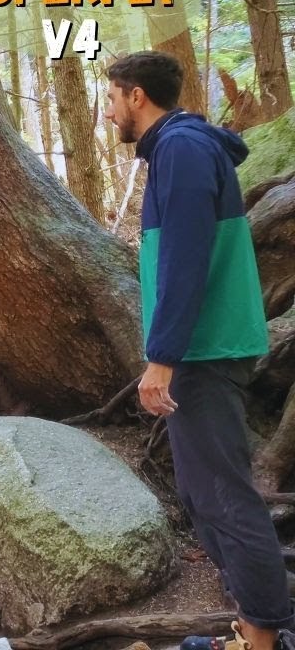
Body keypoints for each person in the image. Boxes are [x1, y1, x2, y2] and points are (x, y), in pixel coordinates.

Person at [104, 51, 294, 650]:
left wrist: (162, 357)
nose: (108, 112)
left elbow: (187, 261)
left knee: (223, 495)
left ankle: (265, 637)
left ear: (137, 96)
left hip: (203, 351)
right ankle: (255, 624)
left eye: (111, 99)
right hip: (201, 348)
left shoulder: (182, 150)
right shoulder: (176, 150)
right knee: (200, 493)